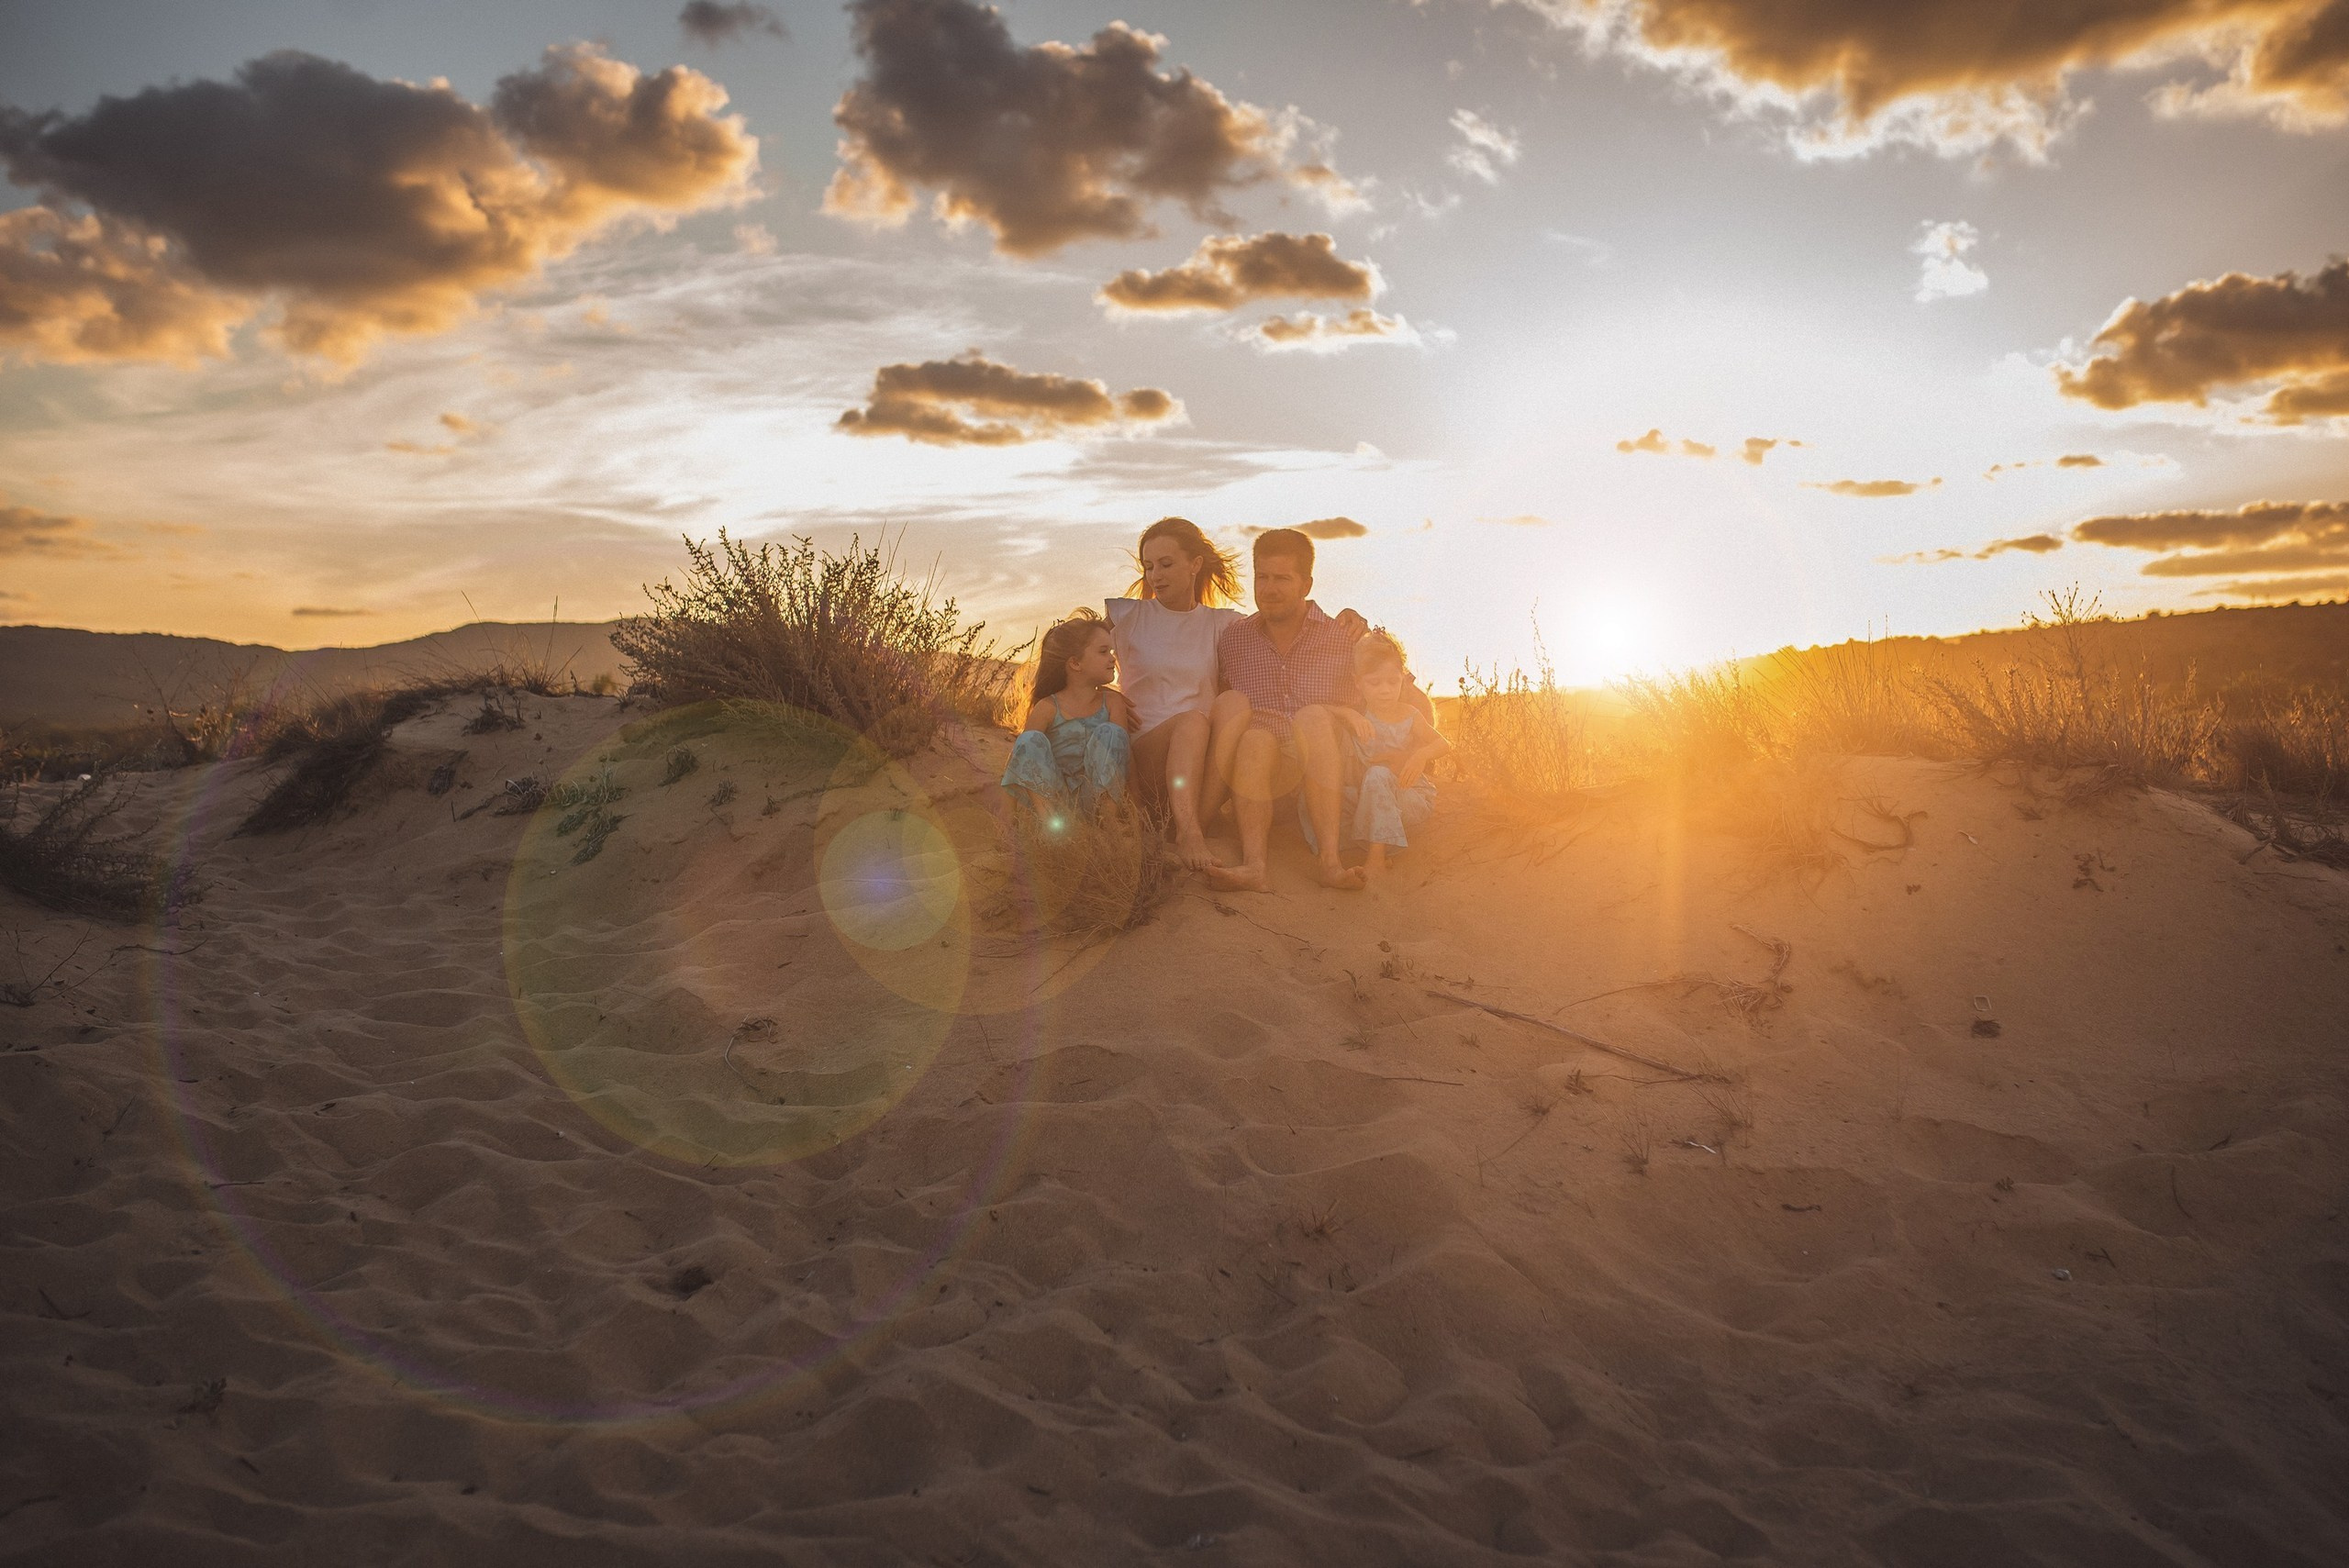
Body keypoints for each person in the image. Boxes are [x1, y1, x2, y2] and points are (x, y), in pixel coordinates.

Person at [1209, 528, 1432, 893]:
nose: (1269, 588)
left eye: (1283, 578)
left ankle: (1330, 863)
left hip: (1333, 767)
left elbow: (1413, 702)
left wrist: (1416, 751)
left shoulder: (1344, 637)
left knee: (1313, 716)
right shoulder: (1234, 639)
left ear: (1307, 584)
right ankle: (1254, 866)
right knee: (1253, 739)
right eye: (1262, 577)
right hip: (1272, 783)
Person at [1103, 517, 1253, 870]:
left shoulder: (1222, 623)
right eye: (1149, 566)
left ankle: (1191, 823)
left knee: (1233, 704)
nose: (1156, 575)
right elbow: (1074, 655)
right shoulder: (1127, 615)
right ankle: (1190, 834)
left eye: (1166, 564)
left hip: (1202, 770)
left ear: (1195, 565)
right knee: (1193, 723)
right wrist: (1107, 695)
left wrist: (1348, 619)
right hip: (1146, 759)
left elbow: (1278, 637)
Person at [1300, 630, 1449, 878]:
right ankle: (1371, 849)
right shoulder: (1359, 716)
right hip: (1372, 798)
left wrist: (1420, 755)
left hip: (1408, 798)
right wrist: (1348, 714)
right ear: (1358, 683)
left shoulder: (1409, 714)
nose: (1385, 690)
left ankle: (1377, 859)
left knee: (1378, 775)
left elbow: (1443, 744)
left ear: (1403, 678)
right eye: (1375, 683)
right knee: (1325, 797)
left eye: (1393, 682)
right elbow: (1315, 710)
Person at [1001, 612, 1135, 821]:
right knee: (1029, 740)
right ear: (1075, 663)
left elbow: (1124, 758)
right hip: (1056, 802)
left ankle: (1109, 829)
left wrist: (1138, 805)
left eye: (1111, 651)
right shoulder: (1047, 707)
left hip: (1095, 802)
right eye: (1103, 652)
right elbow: (1021, 759)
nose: (1112, 658)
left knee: (1112, 732)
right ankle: (1052, 832)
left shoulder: (1112, 702)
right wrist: (1007, 823)